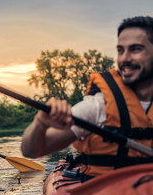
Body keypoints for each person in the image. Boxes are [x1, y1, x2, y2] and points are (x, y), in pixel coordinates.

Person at [21, 16, 153, 180]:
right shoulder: (98, 106)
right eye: (120, 50)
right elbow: (31, 151)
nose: (124, 59)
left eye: (135, 49)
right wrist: (40, 123)